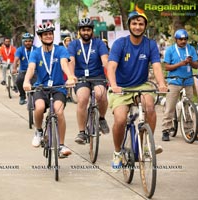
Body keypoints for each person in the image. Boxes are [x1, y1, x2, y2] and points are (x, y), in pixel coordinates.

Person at [107, 11, 168, 170]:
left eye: (141, 24)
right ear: (129, 26)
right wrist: (113, 85)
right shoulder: (120, 44)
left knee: (149, 107)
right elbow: (111, 67)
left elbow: (156, 67)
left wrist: (161, 83)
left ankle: (146, 145)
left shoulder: (150, 44)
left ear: (145, 26)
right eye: (134, 23)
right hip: (121, 87)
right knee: (120, 120)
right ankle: (117, 152)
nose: (138, 26)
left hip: (141, 86)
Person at [23, 22, 76, 158]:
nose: (48, 36)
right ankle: (39, 131)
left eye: (50, 33)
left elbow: (65, 64)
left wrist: (70, 77)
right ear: (40, 37)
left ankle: (62, 145)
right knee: (39, 107)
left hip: (58, 88)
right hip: (41, 87)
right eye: (45, 34)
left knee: (59, 112)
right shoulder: (36, 53)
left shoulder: (60, 50)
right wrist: (26, 81)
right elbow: (31, 68)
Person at [67, 17, 110, 144]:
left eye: (88, 30)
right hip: (81, 78)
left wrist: (111, 76)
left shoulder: (99, 43)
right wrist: (70, 76)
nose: (86, 32)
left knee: (100, 95)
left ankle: (101, 118)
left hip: (97, 76)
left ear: (92, 31)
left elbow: (105, 60)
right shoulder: (74, 44)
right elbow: (71, 61)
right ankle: (81, 132)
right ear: (79, 31)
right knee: (83, 99)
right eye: (83, 30)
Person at [161, 29, 198, 141]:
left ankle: (189, 130)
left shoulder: (190, 49)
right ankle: (166, 130)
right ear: (176, 39)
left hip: (188, 81)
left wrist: (190, 62)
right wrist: (181, 64)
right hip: (174, 81)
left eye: (185, 39)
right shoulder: (170, 50)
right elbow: (167, 67)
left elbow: (196, 66)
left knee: (189, 107)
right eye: (180, 39)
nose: (183, 41)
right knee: (170, 107)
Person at [13, 33, 37, 105]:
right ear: (23, 42)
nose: (28, 43)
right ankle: (22, 96)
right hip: (23, 70)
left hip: (34, 71)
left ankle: (36, 97)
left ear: (32, 41)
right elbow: (16, 59)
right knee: (18, 80)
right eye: (26, 41)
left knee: (36, 84)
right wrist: (14, 68)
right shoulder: (20, 49)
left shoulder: (36, 49)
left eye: (29, 41)